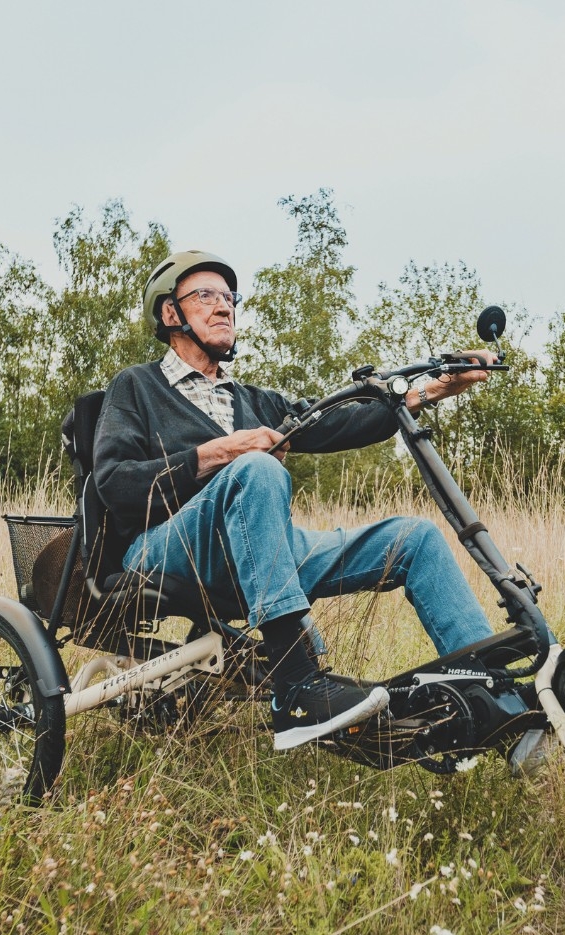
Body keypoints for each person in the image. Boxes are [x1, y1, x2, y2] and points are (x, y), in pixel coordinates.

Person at [90, 250, 498, 751]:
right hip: (163, 550)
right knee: (257, 468)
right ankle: (297, 687)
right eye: (205, 296)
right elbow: (115, 483)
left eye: (229, 297)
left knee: (414, 539)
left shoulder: (255, 401)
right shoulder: (136, 386)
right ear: (170, 313)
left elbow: (340, 422)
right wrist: (222, 452)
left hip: (260, 550)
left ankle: (489, 698)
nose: (223, 306)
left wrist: (433, 388)